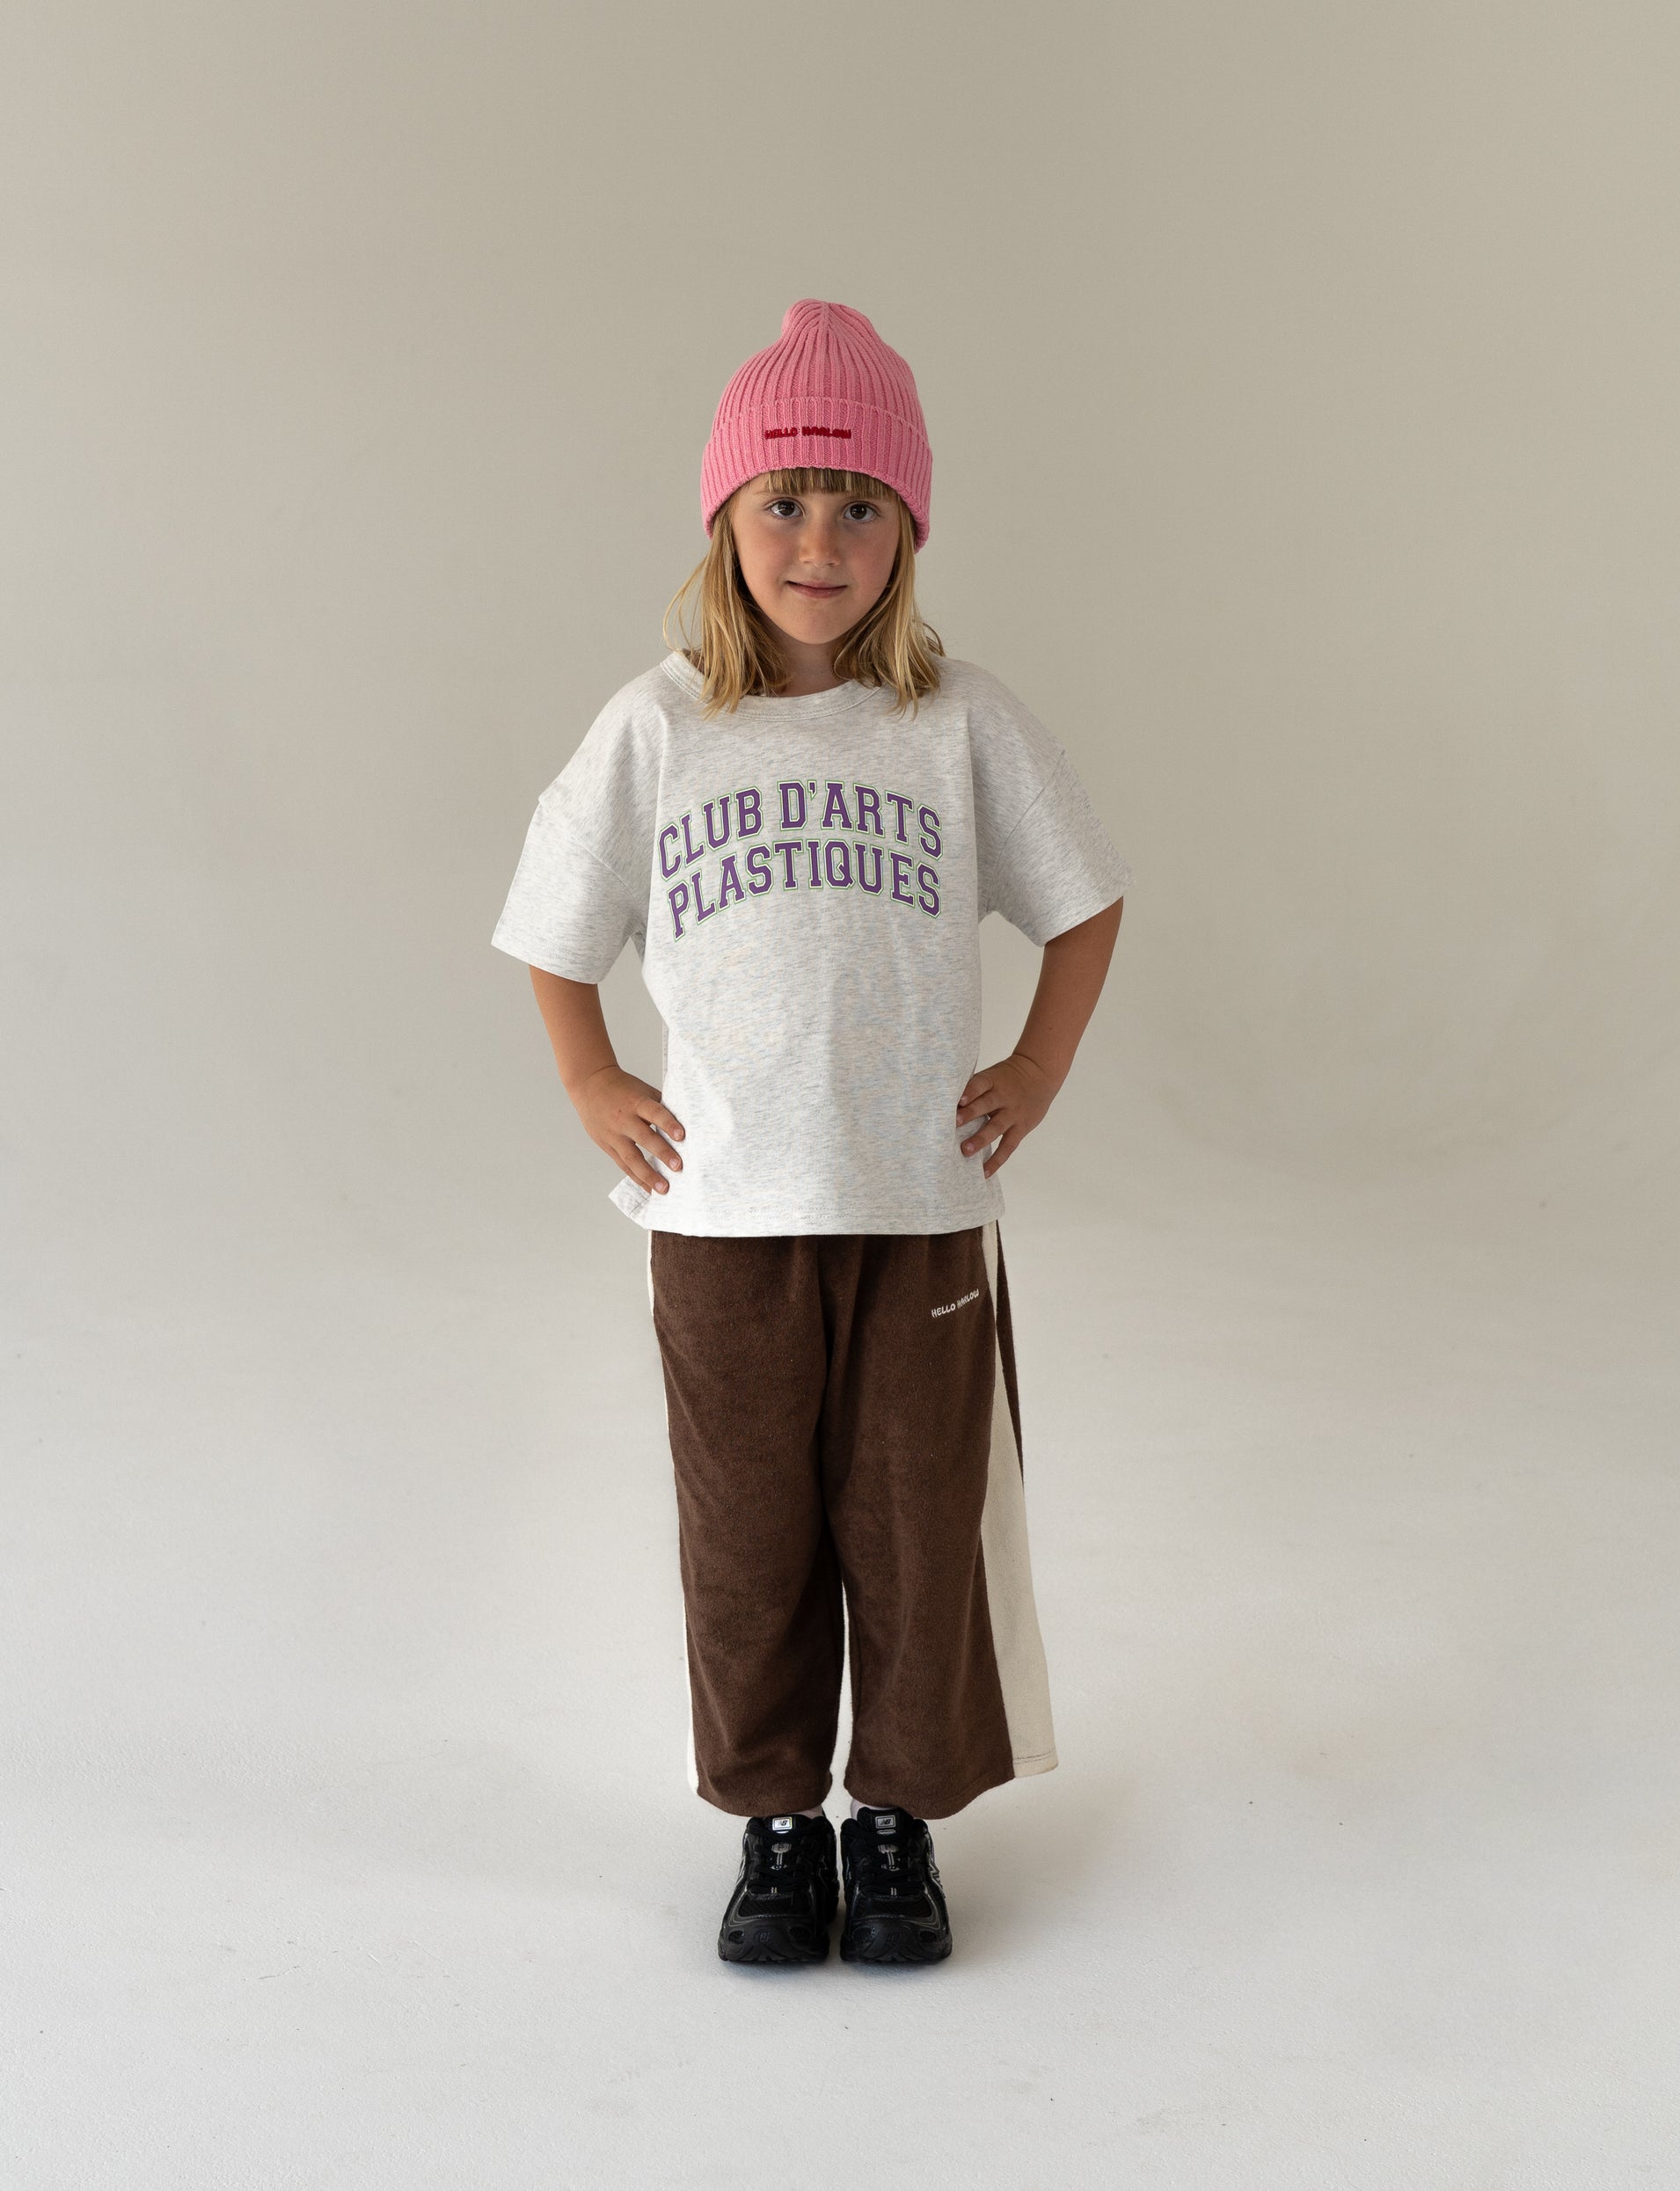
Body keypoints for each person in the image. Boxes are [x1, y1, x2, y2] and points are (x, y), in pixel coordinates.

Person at [491, 299, 1129, 1967]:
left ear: (908, 530)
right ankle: (775, 1824)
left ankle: (896, 1822)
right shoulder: (658, 726)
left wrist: (1036, 1068)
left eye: (859, 503)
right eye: (782, 500)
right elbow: (555, 928)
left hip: (919, 1207)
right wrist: (590, 1081)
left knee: (916, 1531)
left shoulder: (958, 721)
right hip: (718, 1219)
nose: (819, 540)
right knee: (747, 1539)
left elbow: (1083, 903)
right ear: (723, 518)